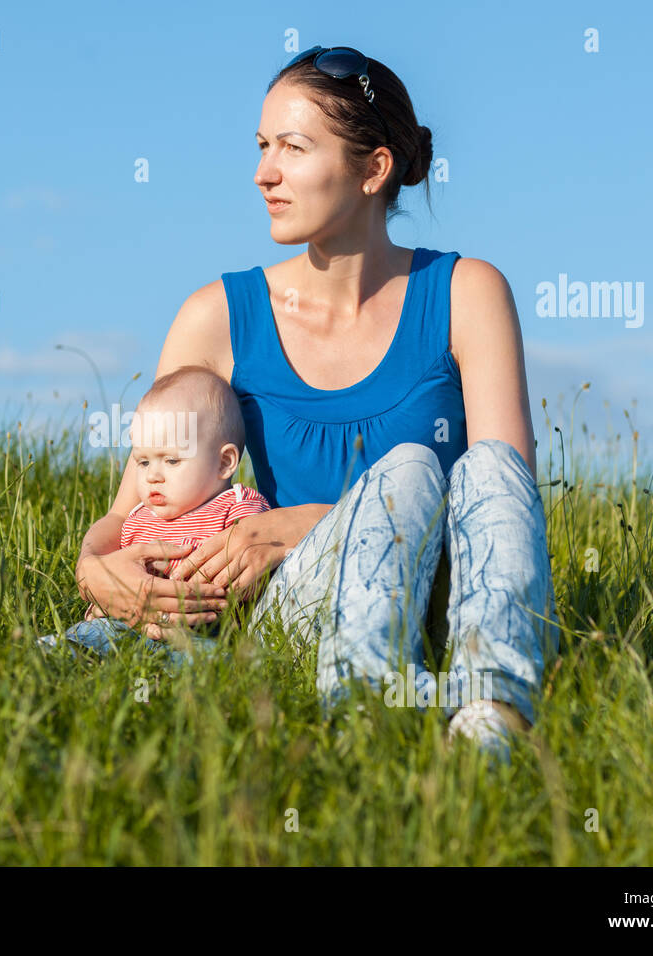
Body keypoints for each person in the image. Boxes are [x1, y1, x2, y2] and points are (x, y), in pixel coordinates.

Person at [71, 45, 559, 762]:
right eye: (263, 147)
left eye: (294, 149)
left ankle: (491, 716)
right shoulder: (216, 317)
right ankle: (363, 723)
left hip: (439, 602)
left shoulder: (465, 294)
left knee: (437, 468)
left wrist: (320, 520)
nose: (265, 173)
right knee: (406, 470)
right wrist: (93, 566)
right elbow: (136, 506)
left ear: (374, 169)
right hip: (291, 612)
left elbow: (505, 508)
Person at [38, 366, 269, 664]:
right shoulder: (138, 519)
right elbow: (120, 582)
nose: (152, 476)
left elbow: (256, 565)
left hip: (203, 633)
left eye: (172, 460)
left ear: (224, 462)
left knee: (216, 662)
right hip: (134, 626)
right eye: (143, 462)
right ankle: (53, 655)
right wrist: (109, 600)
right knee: (97, 632)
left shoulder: (237, 507)